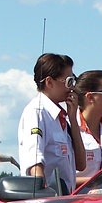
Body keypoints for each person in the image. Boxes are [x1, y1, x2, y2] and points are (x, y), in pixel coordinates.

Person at [18, 53, 86, 194]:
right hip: (47, 202)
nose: (72, 88)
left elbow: (81, 164)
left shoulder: (61, 118)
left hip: (64, 200)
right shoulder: (37, 112)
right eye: (69, 81)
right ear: (49, 82)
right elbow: (34, 162)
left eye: (74, 81)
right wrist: (43, 195)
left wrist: (73, 120)